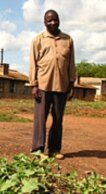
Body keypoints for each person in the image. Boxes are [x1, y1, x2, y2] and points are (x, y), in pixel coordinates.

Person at [29, 9, 76, 159]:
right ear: (44, 22)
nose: (53, 22)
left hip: (61, 86)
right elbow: (33, 63)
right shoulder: (38, 40)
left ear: (59, 20)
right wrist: (34, 85)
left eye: (55, 19)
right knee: (40, 119)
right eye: (49, 20)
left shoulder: (67, 40)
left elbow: (71, 64)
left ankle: (54, 149)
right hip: (43, 86)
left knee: (57, 119)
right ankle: (38, 149)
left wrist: (71, 84)